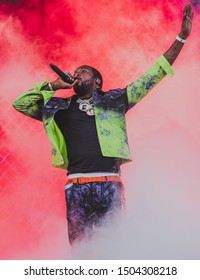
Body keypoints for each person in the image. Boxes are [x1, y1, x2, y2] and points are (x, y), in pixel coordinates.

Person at [13, 5, 193, 245]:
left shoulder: (114, 101)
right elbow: (21, 104)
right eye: (76, 71)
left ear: (96, 81)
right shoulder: (58, 108)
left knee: (116, 247)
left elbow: (152, 76)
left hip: (109, 184)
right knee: (80, 251)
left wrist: (181, 38)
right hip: (76, 186)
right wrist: (53, 86)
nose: (77, 73)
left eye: (84, 71)